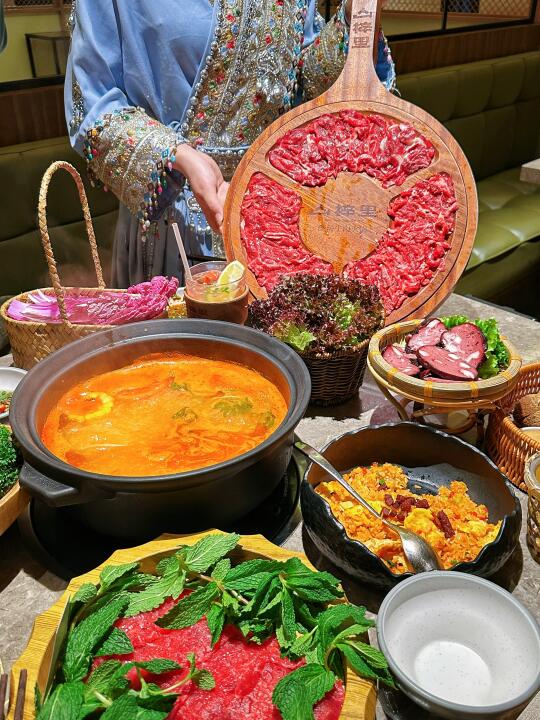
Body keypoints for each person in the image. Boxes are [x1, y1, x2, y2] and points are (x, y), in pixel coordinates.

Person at [65, 1, 395, 287]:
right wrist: (181, 156)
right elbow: (92, 109)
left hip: (273, 218)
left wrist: (356, 18)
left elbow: (308, 87)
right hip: (173, 218)